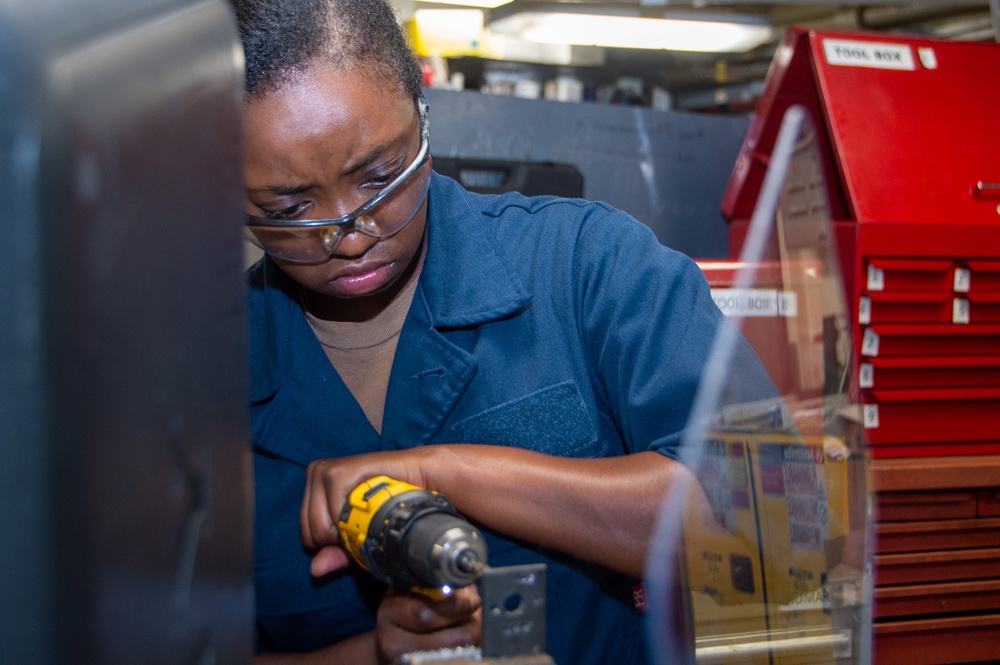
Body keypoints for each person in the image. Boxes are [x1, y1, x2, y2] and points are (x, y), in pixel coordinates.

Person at [231, 0, 775, 663]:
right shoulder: (204, 373)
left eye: (378, 176)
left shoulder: (586, 266)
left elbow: (772, 525)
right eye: (289, 207)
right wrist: (376, 654)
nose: (348, 234)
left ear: (423, 115)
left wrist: (449, 471)